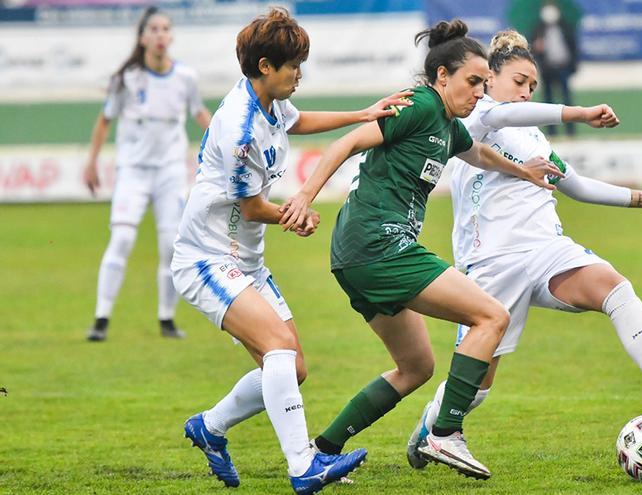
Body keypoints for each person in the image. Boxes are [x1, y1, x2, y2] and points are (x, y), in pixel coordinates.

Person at [405, 30, 642, 471]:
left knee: (616, 288)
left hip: (548, 250)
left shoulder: (530, 134)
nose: (527, 90)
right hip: (492, 263)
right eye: (519, 80)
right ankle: (432, 428)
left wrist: (639, 198)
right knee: (478, 386)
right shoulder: (479, 116)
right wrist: (581, 112)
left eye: (533, 85)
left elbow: (576, 184)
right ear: (488, 78)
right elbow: (511, 115)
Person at [278, 20, 560, 481]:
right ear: (442, 76)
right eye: (472, 82)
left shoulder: (449, 127)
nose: (478, 93)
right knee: (491, 316)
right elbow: (350, 140)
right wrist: (305, 196)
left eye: (484, 85)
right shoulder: (421, 105)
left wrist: (522, 171)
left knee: (416, 367)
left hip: (356, 254)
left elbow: (479, 155)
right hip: (378, 244)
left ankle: (323, 450)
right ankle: (444, 431)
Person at [169, 8, 413, 494]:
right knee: (277, 349)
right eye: (293, 65)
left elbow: (298, 121)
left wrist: (364, 114)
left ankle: (210, 427)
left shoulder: (269, 103)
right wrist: (294, 213)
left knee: (292, 368)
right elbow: (252, 205)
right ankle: (303, 464)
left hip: (246, 261)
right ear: (265, 66)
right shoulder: (238, 130)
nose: (299, 73)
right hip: (206, 260)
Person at [83, 6, 212, 341]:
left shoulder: (185, 77)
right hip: (133, 171)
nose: (160, 35)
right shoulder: (126, 78)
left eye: (165, 29)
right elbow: (104, 120)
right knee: (123, 237)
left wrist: (223, 146)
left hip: (170, 171)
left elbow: (200, 113)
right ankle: (101, 318)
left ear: (170, 37)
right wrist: (91, 161)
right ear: (142, 37)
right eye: (153, 29)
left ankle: (166, 319)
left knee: (171, 245)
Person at [531, 0, 579, 136]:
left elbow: (573, 47)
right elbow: (532, 49)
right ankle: (552, 132)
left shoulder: (565, 26)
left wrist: (573, 66)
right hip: (547, 69)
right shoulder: (538, 28)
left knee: (566, 99)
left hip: (563, 67)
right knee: (548, 101)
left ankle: (571, 131)